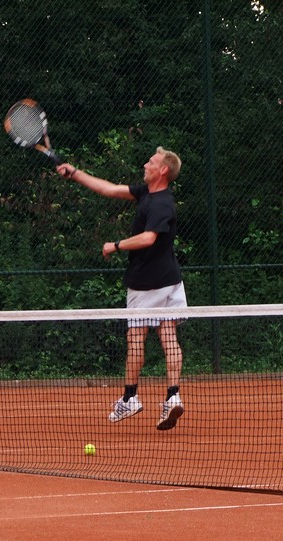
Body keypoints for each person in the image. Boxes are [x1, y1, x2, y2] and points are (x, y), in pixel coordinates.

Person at [56, 147, 186, 431]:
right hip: (172, 281)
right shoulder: (146, 193)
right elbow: (109, 189)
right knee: (169, 337)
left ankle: (130, 398)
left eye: (151, 162)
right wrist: (75, 173)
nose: (145, 164)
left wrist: (115, 245)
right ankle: (173, 396)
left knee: (136, 338)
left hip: (146, 283)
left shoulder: (162, 204)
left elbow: (148, 238)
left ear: (163, 170)